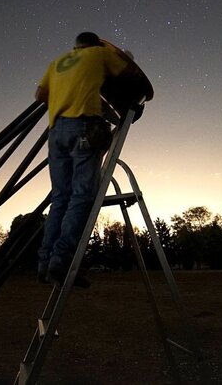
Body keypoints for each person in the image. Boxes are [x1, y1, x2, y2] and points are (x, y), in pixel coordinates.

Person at [35, 31, 137, 287]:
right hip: (83, 127)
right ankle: (61, 262)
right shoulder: (100, 54)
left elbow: (39, 95)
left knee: (60, 197)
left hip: (56, 132)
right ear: (95, 44)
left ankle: (44, 263)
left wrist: (67, 95)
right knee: (82, 196)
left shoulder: (57, 62)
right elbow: (127, 74)